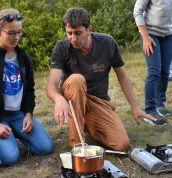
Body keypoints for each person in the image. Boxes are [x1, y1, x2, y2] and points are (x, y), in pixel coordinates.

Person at [46, 7, 155, 151]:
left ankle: (87, 123)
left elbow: (122, 75)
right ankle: (77, 144)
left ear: (89, 29)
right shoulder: (61, 47)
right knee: (76, 80)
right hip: (73, 99)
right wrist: (59, 99)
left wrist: (134, 107)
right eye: (69, 33)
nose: (73, 38)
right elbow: (51, 86)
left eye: (78, 33)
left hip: (98, 101)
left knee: (122, 144)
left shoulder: (107, 43)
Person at [0, 8, 54, 166]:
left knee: (46, 147)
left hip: (18, 114)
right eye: (11, 33)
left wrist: (28, 114)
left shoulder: (23, 56)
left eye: (19, 32)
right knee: (9, 158)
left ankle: (14, 135)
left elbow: (29, 89)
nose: (16, 37)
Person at [133, 0, 172, 126]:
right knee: (155, 71)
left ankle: (160, 103)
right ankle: (150, 110)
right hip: (150, 34)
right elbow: (137, 12)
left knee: (165, 71)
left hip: (168, 35)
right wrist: (145, 37)